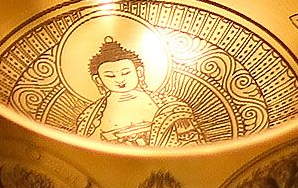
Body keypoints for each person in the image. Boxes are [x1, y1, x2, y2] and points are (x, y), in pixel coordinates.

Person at [71, 35, 204, 147]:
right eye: (110, 76)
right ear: (98, 80)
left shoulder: (171, 106)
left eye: (126, 72)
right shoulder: (89, 117)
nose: (120, 80)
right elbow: (85, 152)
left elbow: (191, 145)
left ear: (139, 72)